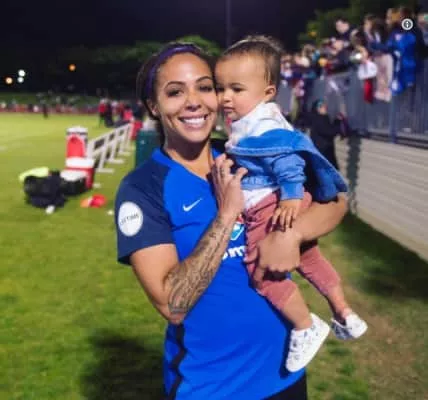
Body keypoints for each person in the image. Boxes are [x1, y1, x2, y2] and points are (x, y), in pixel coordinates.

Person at [115, 42, 348, 399]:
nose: (194, 101)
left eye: (205, 87)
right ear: (153, 106)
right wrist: (226, 216)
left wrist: (292, 234)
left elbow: (336, 201)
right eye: (175, 92)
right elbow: (171, 304)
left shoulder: (247, 151)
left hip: (285, 375)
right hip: (212, 388)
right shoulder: (143, 187)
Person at [215, 36, 367, 373]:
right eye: (220, 87)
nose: (225, 97)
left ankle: (305, 326)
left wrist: (291, 196)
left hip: (270, 205)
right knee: (309, 258)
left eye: (236, 89)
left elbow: (287, 159)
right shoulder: (251, 120)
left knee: (262, 274)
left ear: (268, 92)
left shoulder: (263, 126)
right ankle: (344, 312)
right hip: (280, 199)